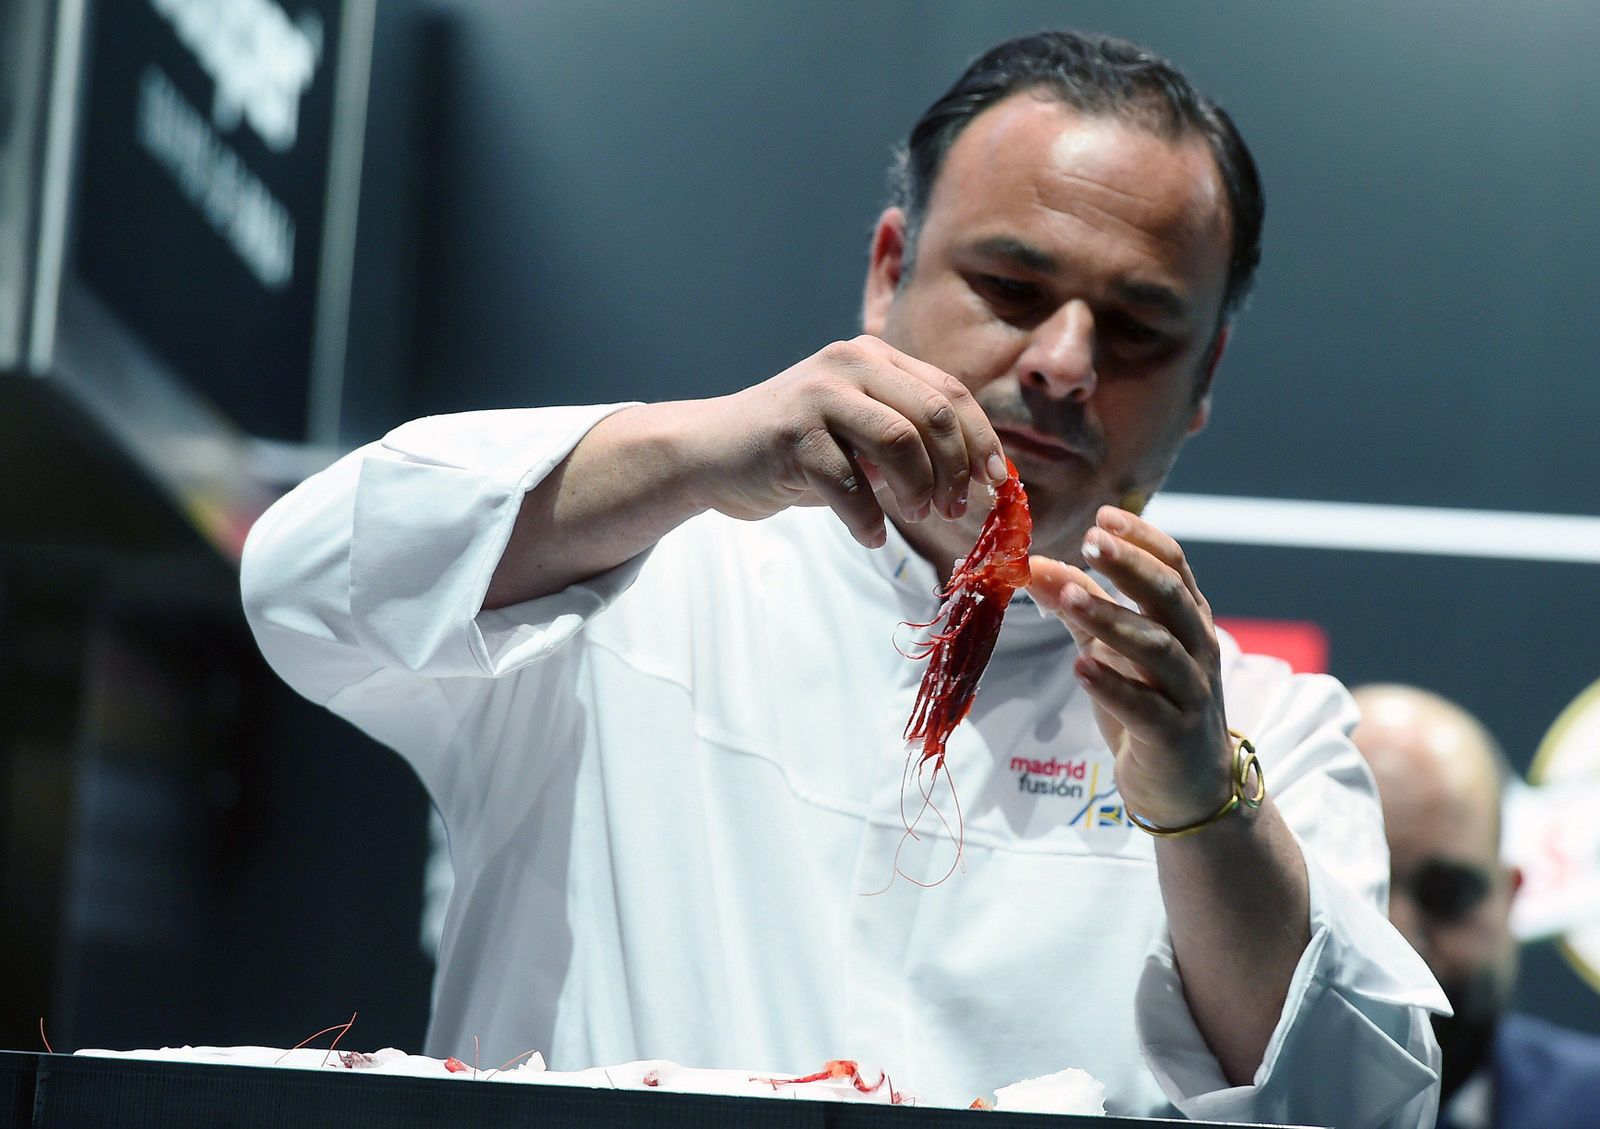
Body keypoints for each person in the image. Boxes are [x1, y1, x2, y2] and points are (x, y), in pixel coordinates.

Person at [243, 30, 1444, 1124]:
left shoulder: (1267, 734)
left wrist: (1197, 794)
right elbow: (305, 584)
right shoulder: (629, 576)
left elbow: (1354, 1102)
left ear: (1206, 377)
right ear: (887, 269)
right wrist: (695, 448)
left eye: (1138, 328)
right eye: (1012, 289)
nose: (1067, 362)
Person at [1351, 684, 1600, 1129]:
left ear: (1510, 897)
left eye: (1447, 892)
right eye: (1353, 889)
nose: (1398, 935)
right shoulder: (1191, 1097)